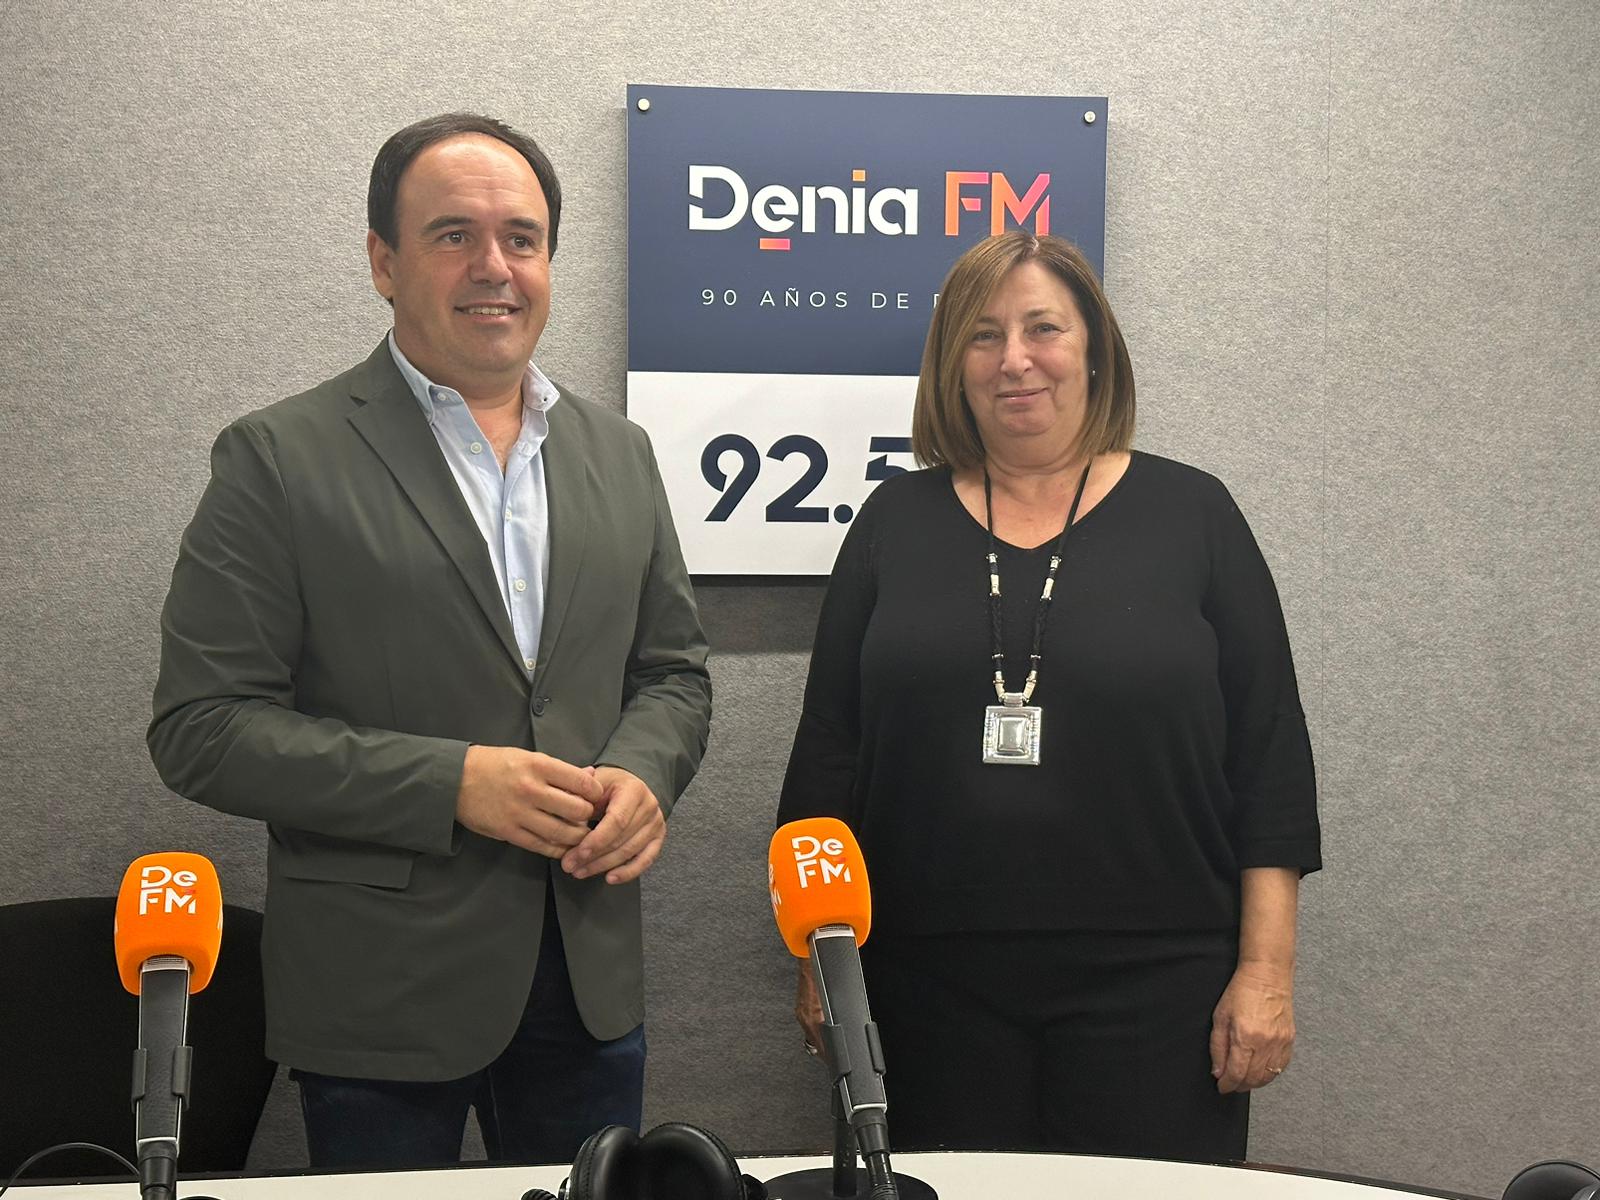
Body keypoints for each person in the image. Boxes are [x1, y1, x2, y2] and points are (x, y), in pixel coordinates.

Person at [148, 113, 711, 1170]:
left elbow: (671, 674)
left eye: (522, 238)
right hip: (382, 993)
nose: (495, 266)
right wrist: (451, 783)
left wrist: (644, 774)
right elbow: (201, 730)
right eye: (454, 235)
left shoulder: (621, 453)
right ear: (383, 262)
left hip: (587, 977)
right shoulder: (279, 458)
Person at [778, 231, 1320, 1162]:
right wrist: (823, 964)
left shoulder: (1195, 516)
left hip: (1161, 988)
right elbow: (829, 755)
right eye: (984, 335)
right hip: (922, 985)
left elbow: (1269, 758)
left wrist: (1266, 974)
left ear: (1094, 351)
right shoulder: (891, 521)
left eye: (1044, 329)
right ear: (953, 365)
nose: (1015, 360)